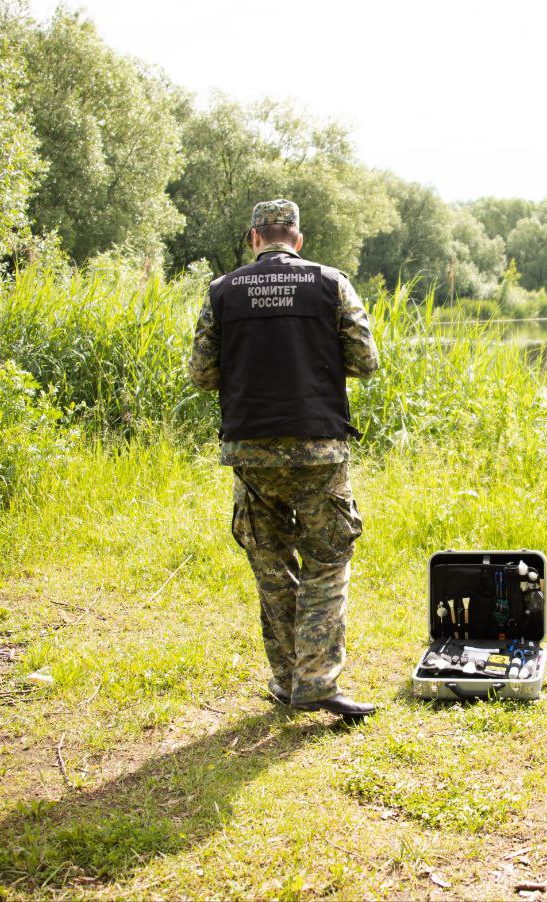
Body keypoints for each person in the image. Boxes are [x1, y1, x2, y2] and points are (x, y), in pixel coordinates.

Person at [189, 199, 379, 719]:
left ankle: (286, 678)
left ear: (255, 238)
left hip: (250, 451)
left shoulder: (222, 291)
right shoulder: (331, 283)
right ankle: (315, 681)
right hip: (319, 447)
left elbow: (202, 375)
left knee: (271, 566)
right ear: (297, 237)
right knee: (327, 561)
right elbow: (366, 362)